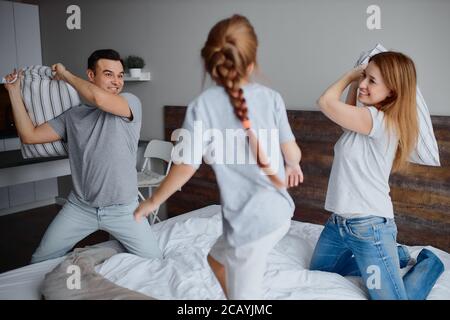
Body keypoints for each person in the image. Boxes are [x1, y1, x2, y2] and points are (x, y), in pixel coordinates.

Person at [134, 14, 303, 299]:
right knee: (215, 258)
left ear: (210, 64)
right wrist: (294, 162)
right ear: (252, 62)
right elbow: (292, 151)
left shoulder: (201, 107)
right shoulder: (271, 98)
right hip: (277, 212)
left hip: (250, 225)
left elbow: (186, 166)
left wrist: (152, 201)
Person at [3, 49, 162, 263]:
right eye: (108, 74)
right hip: (80, 207)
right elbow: (29, 136)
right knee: (39, 260)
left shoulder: (130, 102)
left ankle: (105, 255)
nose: (116, 81)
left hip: (124, 209)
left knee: (155, 260)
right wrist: (13, 92)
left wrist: (65, 74)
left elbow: (99, 99)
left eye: (120, 75)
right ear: (90, 76)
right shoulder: (73, 116)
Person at [311, 51, 444, 299]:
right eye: (364, 78)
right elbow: (342, 115)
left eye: (371, 81)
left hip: (369, 227)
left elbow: (326, 102)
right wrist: (356, 83)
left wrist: (351, 75)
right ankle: (399, 256)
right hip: (338, 224)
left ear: (392, 91)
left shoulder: (379, 121)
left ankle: (431, 264)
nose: (363, 84)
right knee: (319, 270)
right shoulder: (362, 122)